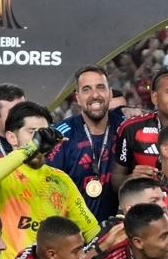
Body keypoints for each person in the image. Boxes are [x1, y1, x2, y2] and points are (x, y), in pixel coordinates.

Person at [0, 101, 99, 259]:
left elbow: (91, 231)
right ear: (12, 137)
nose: (41, 139)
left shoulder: (61, 180)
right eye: (32, 133)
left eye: (44, 133)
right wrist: (32, 147)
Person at [50, 65, 127, 222]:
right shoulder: (60, 135)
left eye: (100, 87)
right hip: (72, 234)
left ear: (110, 93)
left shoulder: (126, 129)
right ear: (77, 97)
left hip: (119, 233)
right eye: (86, 89)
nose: (95, 95)